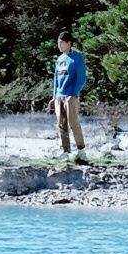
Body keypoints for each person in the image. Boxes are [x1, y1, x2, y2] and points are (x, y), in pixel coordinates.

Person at [50, 30, 88, 161]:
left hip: (71, 95)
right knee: (61, 123)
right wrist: (54, 95)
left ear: (68, 43)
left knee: (73, 122)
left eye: (62, 43)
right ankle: (65, 150)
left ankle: (81, 149)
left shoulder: (77, 58)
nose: (59, 46)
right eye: (58, 43)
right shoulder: (59, 59)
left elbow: (81, 78)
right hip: (59, 96)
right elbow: (55, 78)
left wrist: (75, 93)